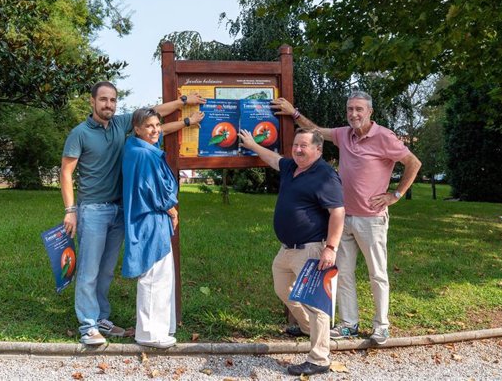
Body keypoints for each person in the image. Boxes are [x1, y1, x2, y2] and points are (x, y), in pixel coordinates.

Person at [60, 81, 205, 346]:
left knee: (105, 270)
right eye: (103, 100)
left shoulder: (120, 125)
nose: (109, 105)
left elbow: (153, 118)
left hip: (119, 209)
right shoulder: (79, 133)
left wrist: (184, 106)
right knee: (89, 269)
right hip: (92, 208)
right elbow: (66, 172)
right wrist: (70, 210)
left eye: (113, 100)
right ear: (92, 102)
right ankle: (88, 325)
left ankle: (102, 317)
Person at [271, 91, 422, 345]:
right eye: (350, 109)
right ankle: (348, 324)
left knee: (377, 273)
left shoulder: (383, 136)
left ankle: (381, 325)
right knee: (343, 274)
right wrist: (294, 113)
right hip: (342, 217)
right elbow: (316, 130)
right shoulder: (344, 135)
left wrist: (395, 194)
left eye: (359, 109)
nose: (354, 114)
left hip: (371, 219)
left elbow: (413, 162)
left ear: (370, 112)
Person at [239, 127, 344, 376]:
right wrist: (253, 145)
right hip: (287, 249)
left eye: (304, 146)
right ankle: (309, 329)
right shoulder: (291, 168)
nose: (298, 149)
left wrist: (330, 248)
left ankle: (319, 358)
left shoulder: (325, 176)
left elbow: (338, 212)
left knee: (316, 304)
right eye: (296, 145)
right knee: (282, 288)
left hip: (312, 249)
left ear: (318, 149)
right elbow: (274, 158)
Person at [121, 108, 182, 349]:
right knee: (154, 275)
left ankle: (161, 327)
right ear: (137, 128)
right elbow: (152, 189)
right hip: (149, 219)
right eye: (149, 126)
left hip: (147, 217)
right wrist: (171, 208)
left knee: (160, 275)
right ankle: (149, 334)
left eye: (157, 125)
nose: (155, 130)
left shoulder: (134, 148)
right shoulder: (144, 154)